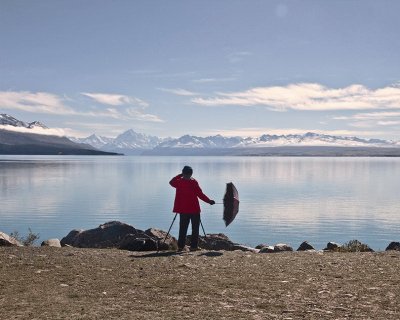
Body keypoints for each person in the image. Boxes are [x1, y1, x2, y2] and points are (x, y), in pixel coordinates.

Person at [169, 166, 215, 251]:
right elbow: (200, 194)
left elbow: (171, 182)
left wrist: (179, 175)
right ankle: (194, 247)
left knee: (183, 229)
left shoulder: (179, 182)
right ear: (191, 174)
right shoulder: (194, 182)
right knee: (195, 229)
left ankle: (180, 247)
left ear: (183, 173)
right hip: (194, 210)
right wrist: (209, 201)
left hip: (183, 210)